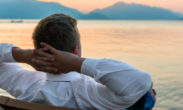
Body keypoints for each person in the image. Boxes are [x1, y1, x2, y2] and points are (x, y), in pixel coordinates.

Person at [0, 13, 155, 110]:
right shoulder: (91, 96)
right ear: (75, 51)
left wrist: (22, 55)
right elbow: (141, 81)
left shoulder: (24, 86)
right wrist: (78, 64)